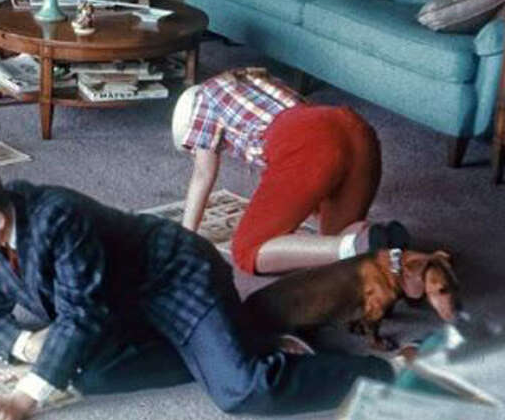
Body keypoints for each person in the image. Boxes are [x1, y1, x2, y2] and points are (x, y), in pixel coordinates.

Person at [0, 161, 395, 420]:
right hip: (117, 301)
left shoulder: (57, 215)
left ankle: (386, 377)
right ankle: (247, 336)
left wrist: (24, 395)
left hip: (173, 278)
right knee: (84, 373)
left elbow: (81, 315)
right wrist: (26, 346)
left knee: (242, 390)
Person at [172, 67, 408, 276]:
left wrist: (185, 237)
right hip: (355, 128)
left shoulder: (204, 98)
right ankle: (393, 250)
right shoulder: (248, 78)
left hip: (306, 139)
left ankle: (357, 245)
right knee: (334, 238)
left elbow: (203, 175)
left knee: (246, 251)